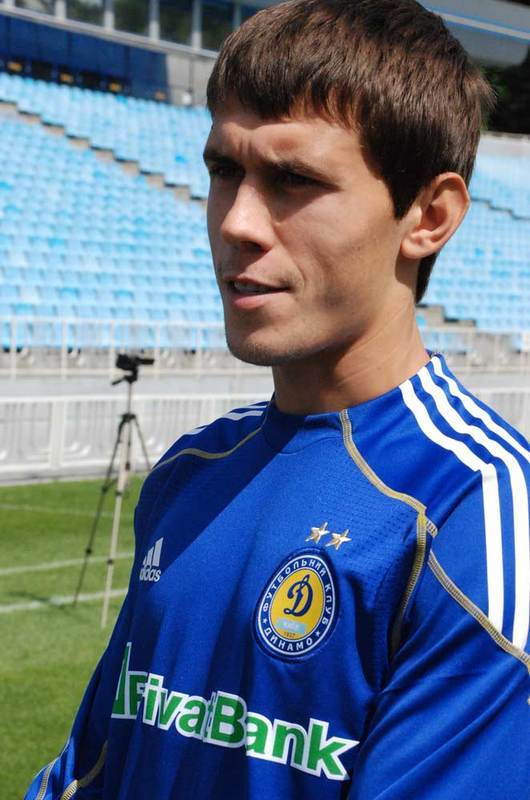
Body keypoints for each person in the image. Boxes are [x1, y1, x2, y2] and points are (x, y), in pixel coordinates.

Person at [26, 1, 529, 798]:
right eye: (224, 171)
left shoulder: (475, 509)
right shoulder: (189, 472)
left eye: (294, 180)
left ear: (429, 217)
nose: (238, 222)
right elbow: (87, 773)